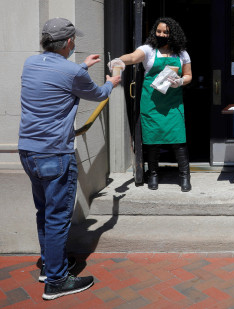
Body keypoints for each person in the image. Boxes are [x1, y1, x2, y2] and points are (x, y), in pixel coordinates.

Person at [19, 18, 121, 300]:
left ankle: (49, 266)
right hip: (55, 153)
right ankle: (56, 280)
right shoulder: (71, 72)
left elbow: (60, 76)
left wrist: (83, 66)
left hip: (29, 151)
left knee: (44, 212)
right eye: (73, 39)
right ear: (68, 43)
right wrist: (112, 82)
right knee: (57, 218)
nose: (74, 43)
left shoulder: (31, 64)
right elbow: (98, 93)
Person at [108, 17, 193, 192]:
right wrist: (120, 61)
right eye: (159, 31)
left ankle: (184, 176)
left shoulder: (182, 53)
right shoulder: (148, 50)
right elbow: (132, 57)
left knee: (179, 140)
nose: (161, 34)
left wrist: (181, 81)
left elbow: (189, 75)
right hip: (151, 102)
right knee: (152, 139)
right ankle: (153, 174)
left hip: (173, 103)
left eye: (166, 32)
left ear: (173, 34)